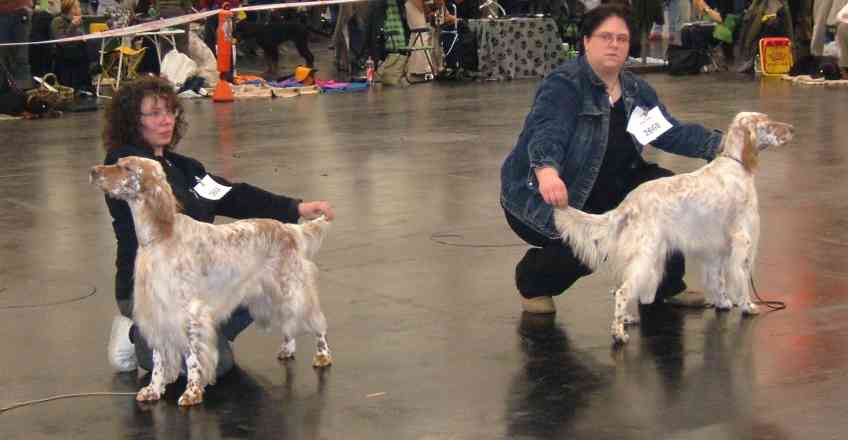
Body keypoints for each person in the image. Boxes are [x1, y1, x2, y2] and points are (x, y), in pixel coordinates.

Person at [103, 75, 335, 376]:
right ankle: (138, 334)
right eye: (154, 113)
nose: (166, 120)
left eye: (170, 111)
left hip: (199, 282)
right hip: (151, 288)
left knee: (256, 271)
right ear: (133, 120)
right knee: (206, 366)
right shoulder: (126, 169)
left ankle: (203, 332)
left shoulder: (186, 168)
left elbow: (232, 195)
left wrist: (296, 208)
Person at [499, 3, 723, 314]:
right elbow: (547, 133)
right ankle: (532, 282)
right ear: (586, 41)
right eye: (605, 37)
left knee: (665, 192)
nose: (614, 44)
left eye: (621, 38)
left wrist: (722, 145)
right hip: (547, 194)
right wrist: (547, 171)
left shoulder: (635, 90)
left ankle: (666, 284)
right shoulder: (564, 85)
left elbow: (668, 132)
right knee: (591, 246)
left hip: (613, 182)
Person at [51, 0, 95, 94]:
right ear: (71, 10)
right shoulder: (57, 21)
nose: (80, 9)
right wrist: (73, 26)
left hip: (79, 56)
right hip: (64, 56)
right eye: (77, 7)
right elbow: (61, 41)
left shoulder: (79, 22)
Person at [0, 0, 35, 90]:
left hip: (20, 11)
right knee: (5, 58)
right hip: (6, 13)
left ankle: (23, 93)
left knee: (21, 58)